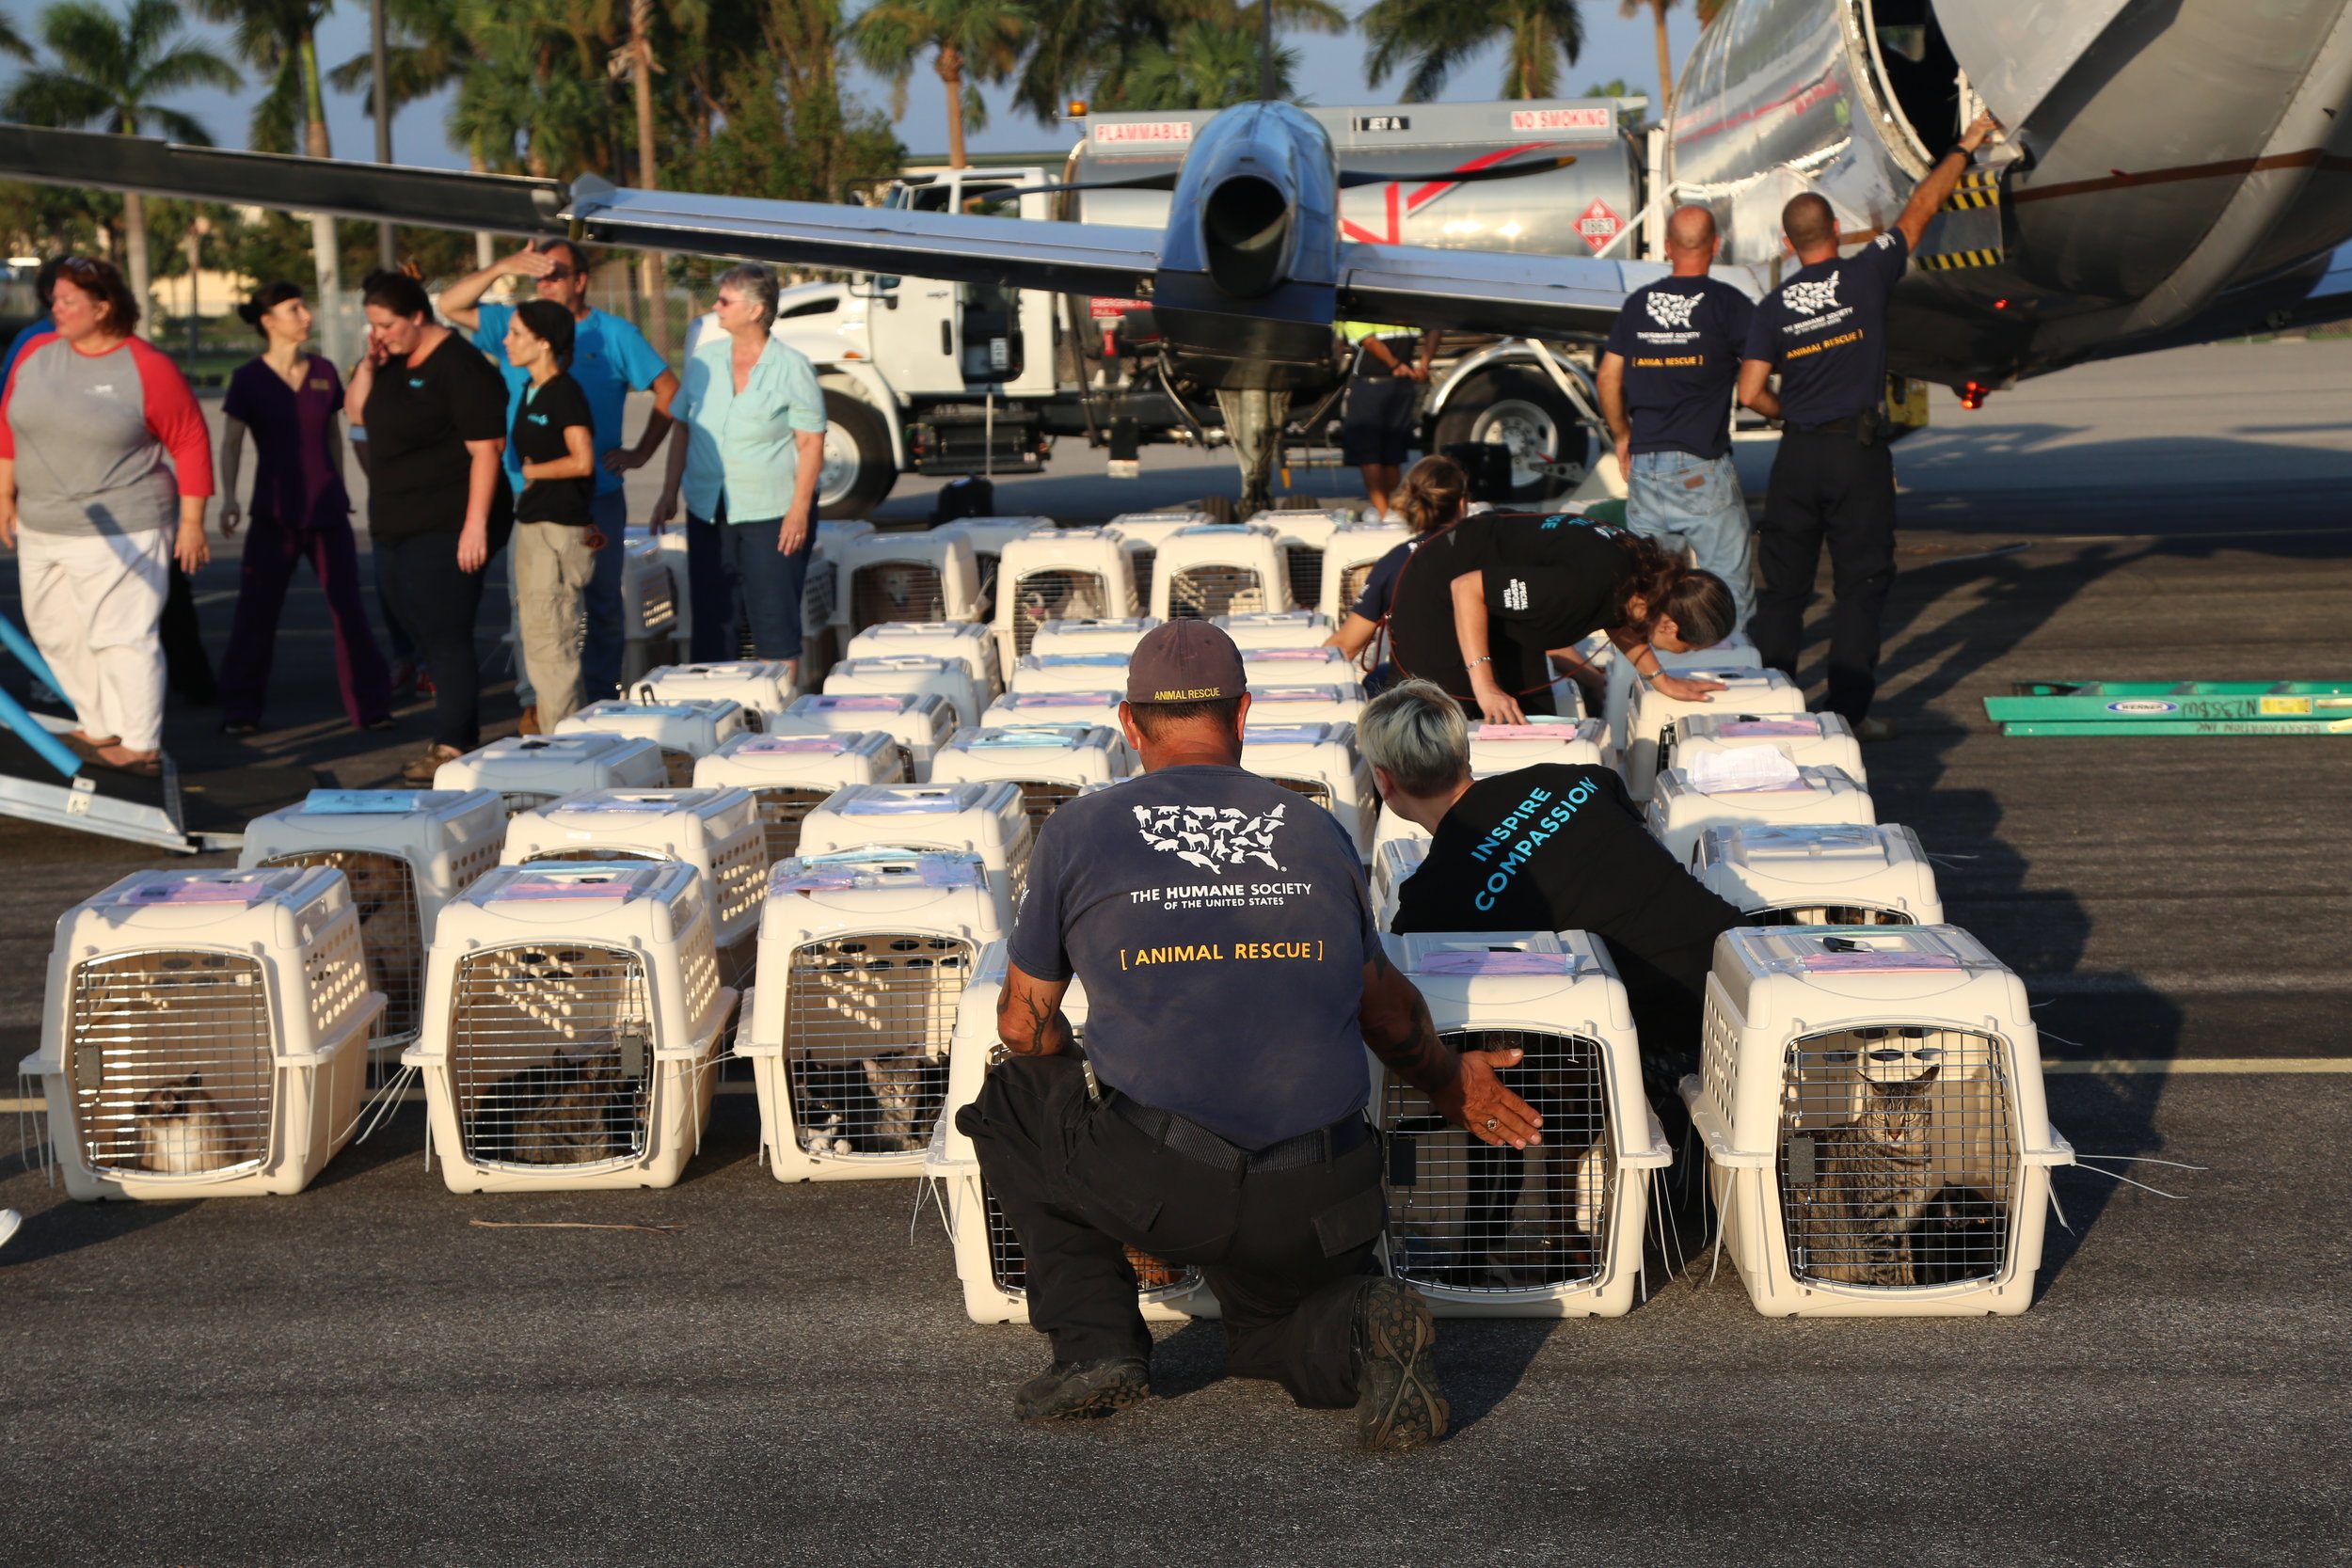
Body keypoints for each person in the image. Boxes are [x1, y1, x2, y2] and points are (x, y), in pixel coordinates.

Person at [958, 620, 1539, 1452]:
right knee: (1267, 1326)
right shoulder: (1314, 830)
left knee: (1018, 1097)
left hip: (1166, 1183)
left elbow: (1026, 1023)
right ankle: (1358, 1320)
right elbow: (1385, 1012)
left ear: (1130, 722)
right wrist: (1455, 1083)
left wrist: (1112, 1176)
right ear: (1243, 715)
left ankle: (1096, 1347)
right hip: (1322, 1191)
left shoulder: (1080, 833)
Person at [1739, 112, 2000, 739]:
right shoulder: (1866, 273)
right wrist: (1964, 144)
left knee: (1784, 592)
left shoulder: (1773, 307)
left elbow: (1750, 392)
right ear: (1835, 229)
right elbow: (1923, 207)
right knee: (1860, 586)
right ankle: (1846, 714)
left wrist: (1790, 412)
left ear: (1788, 244)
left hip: (1796, 456)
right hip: (1856, 455)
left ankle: (1773, 703)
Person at [1361, 678, 1744, 1079]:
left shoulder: (1432, 895)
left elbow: (1401, 1002)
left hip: (1666, 1041)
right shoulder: (1582, 779)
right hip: (1745, 979)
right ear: (1464, 751)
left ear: (1384, 781)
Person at [438, 240, 678, 720]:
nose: (543, 283)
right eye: (537, 276)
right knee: (529, 604)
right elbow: (450, 305)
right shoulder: (519, 327)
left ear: (580, 280)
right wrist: (505, 265)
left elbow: (669, 390)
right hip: (530, 498)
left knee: (602, 601)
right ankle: (537, 704)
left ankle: (597, 699)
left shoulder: (612, 334)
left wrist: (641, 452)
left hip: (596, 498)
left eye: (554, 275)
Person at [0, 255, 213, 773]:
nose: (57, 307)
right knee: (55, 633)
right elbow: (8, 425)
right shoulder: (36, 350)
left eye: (69, 300)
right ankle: (98, 726)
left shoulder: (144, 365)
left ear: (104, 306)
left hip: (127, 522)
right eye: (55, 299)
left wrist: (191, 522)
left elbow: (189, 439)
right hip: (43, 522)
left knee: (119, 634)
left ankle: (139, 744)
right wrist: (4, 497)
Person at [345, 269, 513, 784]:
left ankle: (454, 743)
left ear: (418, 315)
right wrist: (370, 365)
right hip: (396, 519)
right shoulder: (387, 361)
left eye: (388, 324)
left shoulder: (460, 367)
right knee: (412, 622)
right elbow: (355, 414)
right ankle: (451, 732)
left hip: (448, 520)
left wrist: (475, 526)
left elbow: (487, 450)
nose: (380, 334)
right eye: (372, 326)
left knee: (445, 631)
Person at [215, 282, 395, 736]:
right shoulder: (248, 378)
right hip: (273, 514)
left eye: (304, 307)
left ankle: (371, 708)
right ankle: (240, 710)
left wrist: (339, 482)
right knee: (255, 615)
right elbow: (231, 444)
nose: (305, 316)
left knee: (349, 610)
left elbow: (334, 433)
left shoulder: (323, 370)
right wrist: (230, 497)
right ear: (268, 321)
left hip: (328, 512)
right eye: (294, 309)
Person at [1385, 508, 1736, 725]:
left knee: (1529, 720)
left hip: (1506, 600)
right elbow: (1468, 589)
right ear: (1671, 625)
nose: (1687, 654)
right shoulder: (1581, 586)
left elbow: (1620, 618)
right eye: (1688, 648)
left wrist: (1661, 680)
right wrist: (1485, 685)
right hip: (1439, 596)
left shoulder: (1642, 581)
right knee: (1451, 721)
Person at [649, 264, 827, 681]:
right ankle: (716, 715)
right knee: (714, 619)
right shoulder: (705, 361)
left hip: (773, 513)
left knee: (774, 619)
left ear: (755, 310)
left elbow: (811, 443)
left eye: (725, 301)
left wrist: (799, 510)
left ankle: (775, 717)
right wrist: (668, 493)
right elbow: (684, 427)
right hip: (709, 510)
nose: (716, 307)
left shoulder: (791, 366)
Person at [1597, 206, 1759, 629]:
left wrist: (1621, 436)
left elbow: (1608, 377)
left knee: (1652, 591)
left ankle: (1660, 680)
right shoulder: (1728, 304)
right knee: (1729, 591)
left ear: (1668, 248)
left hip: (1646, 468)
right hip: (1701, 466)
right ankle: (1733, 671)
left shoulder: (1638, 305)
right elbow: (1765, 363)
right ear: (1715, 246)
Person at [501, 300, 600, 728]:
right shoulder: (528, 389)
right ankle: (561, 738)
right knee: (537, 636)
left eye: (517, 333)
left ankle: (560, 751)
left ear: (544, 343)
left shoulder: (564, 392)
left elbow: (582, 460)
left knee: (550, 642)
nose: (507, 341)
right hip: (533, 523)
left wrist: (532, 472)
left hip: (557, 531)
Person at [1322, 454, 1465, 689]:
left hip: (1416, 695)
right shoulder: (1489, 553)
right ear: (1461, 504)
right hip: (1486, 688)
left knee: (1375, 678)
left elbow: (1346, 645)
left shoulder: (1395, 561)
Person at [1336, 322, 1432, 515]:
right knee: (1392, 455)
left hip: (1371, 387)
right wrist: (1424, 364)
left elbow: (1369, 342)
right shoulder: (1402, 307)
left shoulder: (1361, 309)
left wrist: (1395, 365)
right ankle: (1394, 510)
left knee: (1369, 454)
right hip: (1402, 389)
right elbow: (1436, 328)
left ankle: (1383, 513)